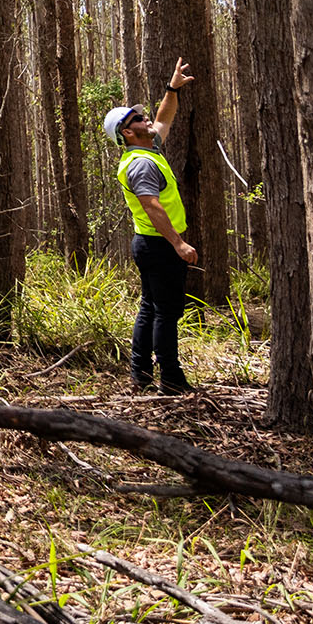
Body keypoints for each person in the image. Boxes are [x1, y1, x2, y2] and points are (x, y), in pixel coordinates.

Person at [104, 59, 202, 394]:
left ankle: (140, 373)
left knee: (151, 307)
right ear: (128, 133)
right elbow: (152, 206)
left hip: (149, 244)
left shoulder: (149, 147)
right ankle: (171, 380)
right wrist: (178, 244)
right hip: (159, 245)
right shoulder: (142, 163)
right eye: (137, 119)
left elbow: (163, 118)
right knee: (166, 313)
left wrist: (172, 88)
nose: (146, 119)